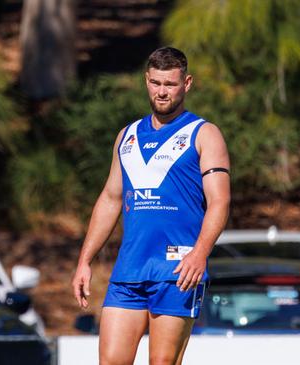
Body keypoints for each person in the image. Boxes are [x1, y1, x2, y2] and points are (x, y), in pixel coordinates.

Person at [71, 47, 230, 365]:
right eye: (156, 83)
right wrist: (84, 260)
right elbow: (110, 199)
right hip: (129, 270)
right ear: (146, 80)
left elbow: (220, 201)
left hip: (177, 271)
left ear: (186, 83)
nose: (161, 92)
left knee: (161, 361)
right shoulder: (126, 136)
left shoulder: (203, 134)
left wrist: (200, 253)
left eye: (170, 84)